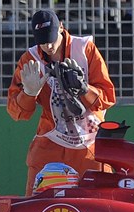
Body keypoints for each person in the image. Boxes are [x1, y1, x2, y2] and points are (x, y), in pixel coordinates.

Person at [7, 9, 116, 196]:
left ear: (62, 28)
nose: (48, 46)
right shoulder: (30, 60)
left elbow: (107, 98)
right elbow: (16, 112)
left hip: (89, 142)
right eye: (42, 41)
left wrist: (84, 89)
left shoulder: (85, 49)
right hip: (52, 140)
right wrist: (29, 93)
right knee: (36, 207)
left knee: (102, 203)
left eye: (51, 39)